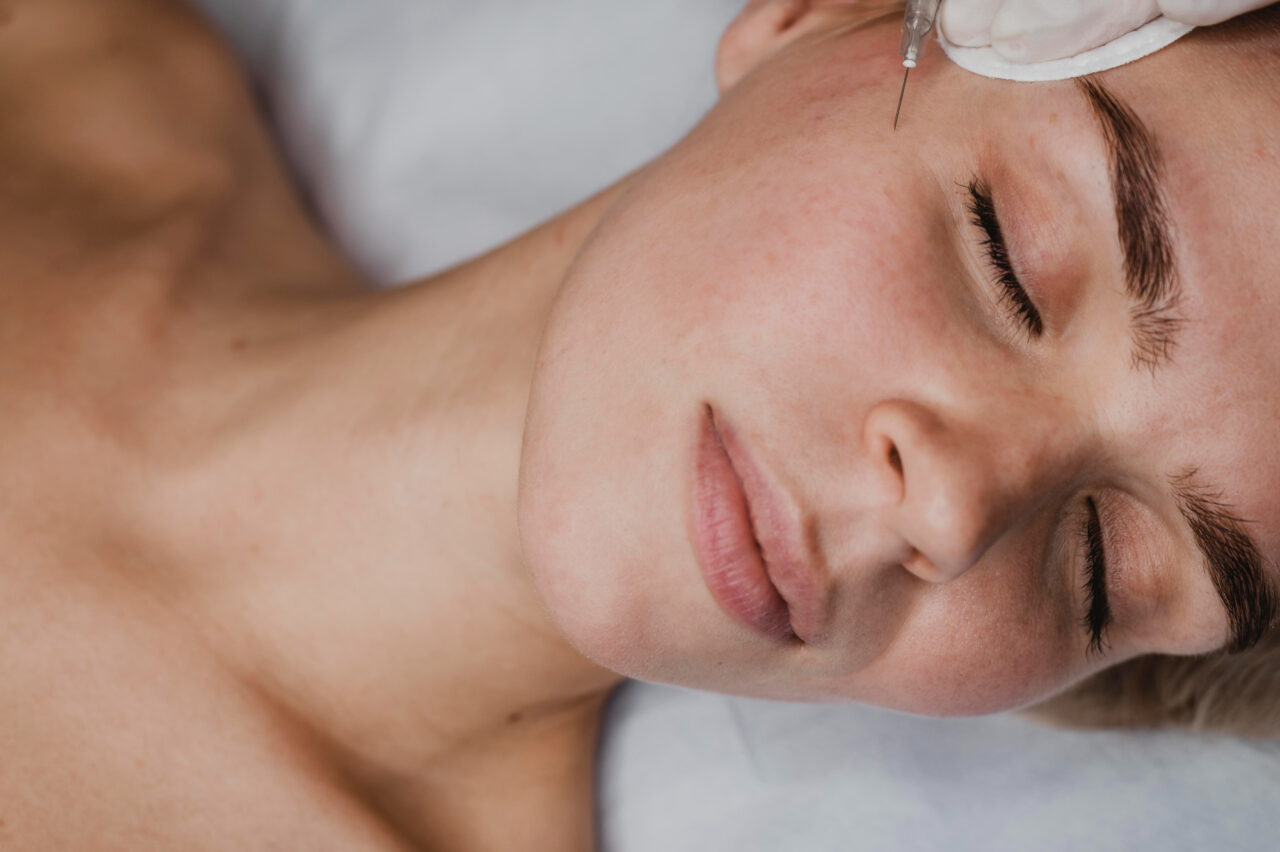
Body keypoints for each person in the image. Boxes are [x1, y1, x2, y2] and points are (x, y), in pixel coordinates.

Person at [2, 0, 1276, 849]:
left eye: (1101, 572)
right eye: (1008, 261)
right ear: (813, 16)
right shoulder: (69, 53)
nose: (951, 512)